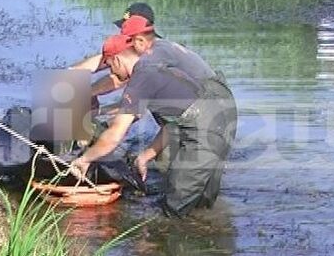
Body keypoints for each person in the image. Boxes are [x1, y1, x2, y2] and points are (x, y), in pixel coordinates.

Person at [71, 32, 238, 217]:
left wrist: (85, 159)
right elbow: (172, 124)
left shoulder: (140, 80)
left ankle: (168, 241)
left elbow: (114, 135)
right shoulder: (152, 67)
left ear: (117, 59)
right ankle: (206, 235)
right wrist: (145, 156)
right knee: (202, 203)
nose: (112, 73)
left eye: (110, 66)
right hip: (222, 117)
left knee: (174, 205)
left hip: (206, 130)